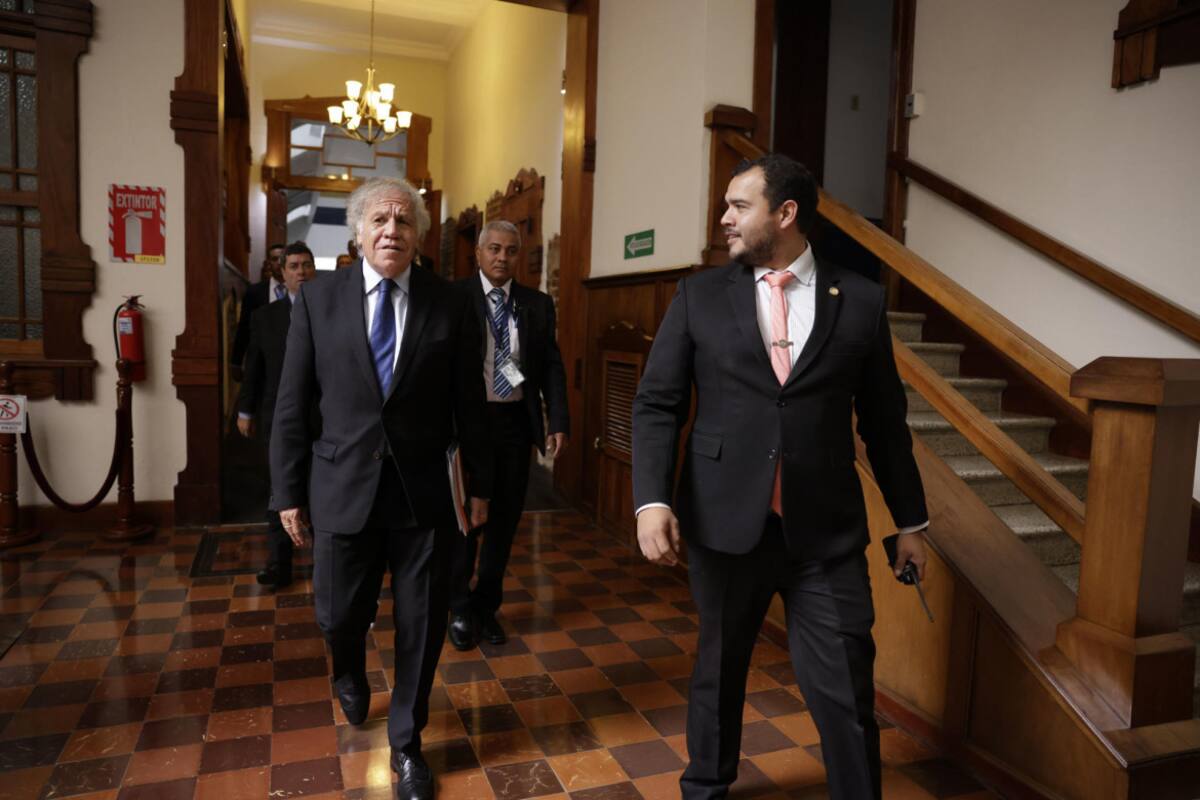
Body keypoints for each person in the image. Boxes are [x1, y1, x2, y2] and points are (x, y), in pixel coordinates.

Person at [632, 154, 929, 800]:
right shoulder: (699, 295)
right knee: (718, 671)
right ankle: (705, 788)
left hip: (825, 533)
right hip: (724, 523)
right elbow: (657, 403)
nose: (724, 218)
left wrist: (911, 521)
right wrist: (651, 500)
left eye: (739, 206)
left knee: (846, 680)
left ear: (786, 213)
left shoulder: (861, 300)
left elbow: (885, 422)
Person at [270, 176, 492, 800]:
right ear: (358, 233)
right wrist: (287, 492)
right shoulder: (319, 300)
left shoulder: (450, 303)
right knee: (338, 613)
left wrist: (479, 485)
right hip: (342, 485)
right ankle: (346, 669)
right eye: (380, 220)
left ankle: (407, 745)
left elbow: (470, 403)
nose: (392, 230)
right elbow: (293, 403)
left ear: (419, 236)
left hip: (424, 494)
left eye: (404, 220)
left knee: (421, 623)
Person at [447, 220, 570, 650]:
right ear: (478, 253)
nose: (502, 257)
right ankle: (459, 606)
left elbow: (550, 365)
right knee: (466, 521)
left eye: (511, 250)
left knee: (503, 523)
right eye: (494, 249)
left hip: (514, 423)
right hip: (467, 426)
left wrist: (558, 420)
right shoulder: (453, 299)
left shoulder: (537, 304)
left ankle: (486, 607)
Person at [235, 241, 318, 589]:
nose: (301, 272)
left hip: (321, 418)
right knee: (279, 489)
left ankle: (325, 565)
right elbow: (253, 368)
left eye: (306, 265)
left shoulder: (329, 311)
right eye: (294, 266)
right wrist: (245, 410)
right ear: (282, 273)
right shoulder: (265, 317)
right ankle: (278, 564)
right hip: (277, 417)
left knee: (319, 488)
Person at [231, 243, 286, 379]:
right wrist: (236, 361)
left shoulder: (300, 290)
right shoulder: (255, 292)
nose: (279, 263)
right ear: (269, 263)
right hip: (262, 362)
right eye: (274, 259)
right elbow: (244, 327)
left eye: (282, 258)